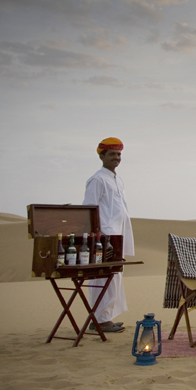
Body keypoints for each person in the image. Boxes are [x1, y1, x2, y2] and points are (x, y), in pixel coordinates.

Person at [83, 137, 134, 333]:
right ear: (102, 156)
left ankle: (107, 317)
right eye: (112, 154)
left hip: (118, 235)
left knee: (114, 277)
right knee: (101, 279)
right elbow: (89, 208)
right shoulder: (97, 179)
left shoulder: (117, 179)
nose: (116, 158)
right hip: (104, 237)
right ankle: (99, 320)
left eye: (119, 154)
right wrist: (98, 235)